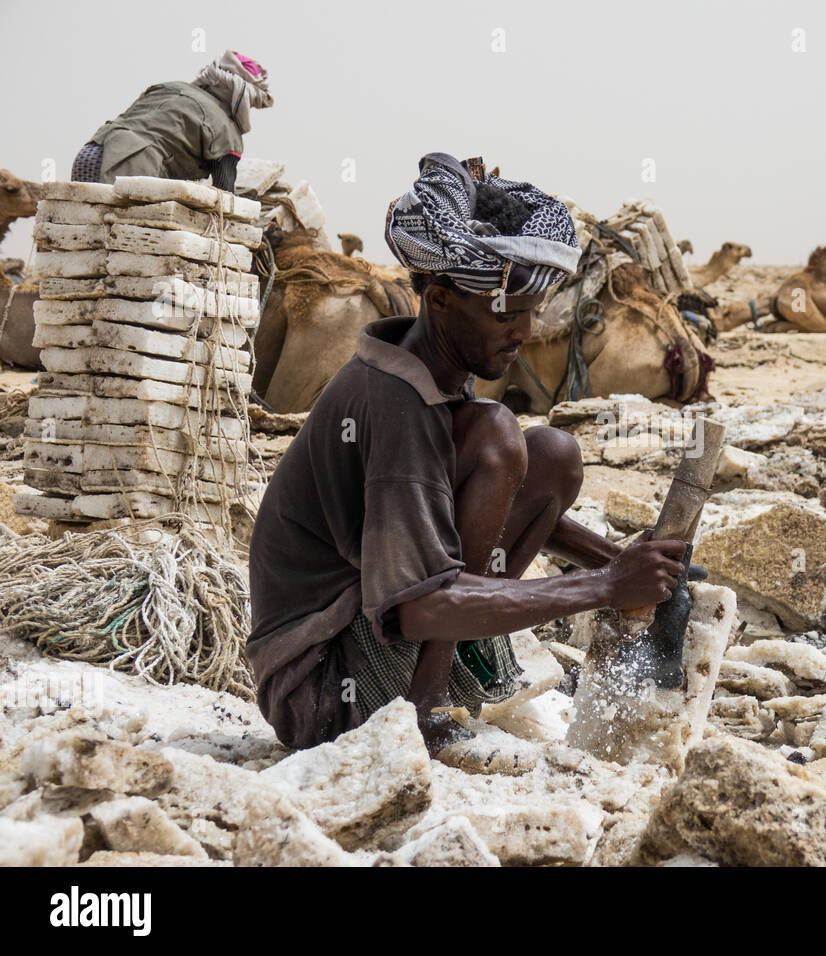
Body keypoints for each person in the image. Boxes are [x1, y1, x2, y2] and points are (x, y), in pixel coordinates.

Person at [247, 153, 690, 754]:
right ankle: (425, 712)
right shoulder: (395, 406)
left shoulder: (426, 371)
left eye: (531, 312)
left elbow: (487, 499)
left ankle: (437, 688)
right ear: (442, 301)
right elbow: (421, 608)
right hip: (322, 687)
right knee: (502, 437)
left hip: (364, 630)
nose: (525, 331)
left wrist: (620, 558)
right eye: (507, 311)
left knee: (552, 453)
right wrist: (607, 586)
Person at [70, 50, 272, 192]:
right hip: (131, 168)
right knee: (123, 242)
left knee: (82, 233)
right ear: (242, 97)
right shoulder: (226, 129)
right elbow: (224, 195)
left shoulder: (171, 87)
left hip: (92, 152)